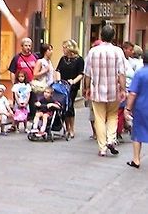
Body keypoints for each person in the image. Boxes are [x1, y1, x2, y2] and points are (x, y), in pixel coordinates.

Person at [83, 25, 126, 157]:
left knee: (99, 118)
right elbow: (121, 73)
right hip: (113, 90)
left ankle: (102, 147)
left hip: (97, 90)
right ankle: (111, 139)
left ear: (101, 36)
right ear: (113, 37)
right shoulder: (118, 51)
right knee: (113, 115)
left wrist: (87, 88)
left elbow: (87, 73)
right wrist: (123, 89)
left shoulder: (93, 52)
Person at [56, 39, 84, 139]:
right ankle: (67, 128)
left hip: (72, 86)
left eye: (65, 47)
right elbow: (58, 70)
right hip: (62, 86)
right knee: (64, 106)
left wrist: (73, 81)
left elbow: (81, 74)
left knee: (70, 106)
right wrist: (59, 80)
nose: (63, 49)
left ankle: (72, 128)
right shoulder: (63, 59)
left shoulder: (79, 60)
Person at [125, 49, 148, 169]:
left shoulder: (140, 73)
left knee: (137, 132)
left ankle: (136, 159)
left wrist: (128, 108)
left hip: (141, 107)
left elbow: (133, 93)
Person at [117, 41, 136, 140]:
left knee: (123, 111)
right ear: (124, 50)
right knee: (120, 111)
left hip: (128, 89)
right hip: (121, 89)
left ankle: (123, 128)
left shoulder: (131, 62)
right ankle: (118, 132)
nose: (132, 52)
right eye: (130, 50)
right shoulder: (120, 61)